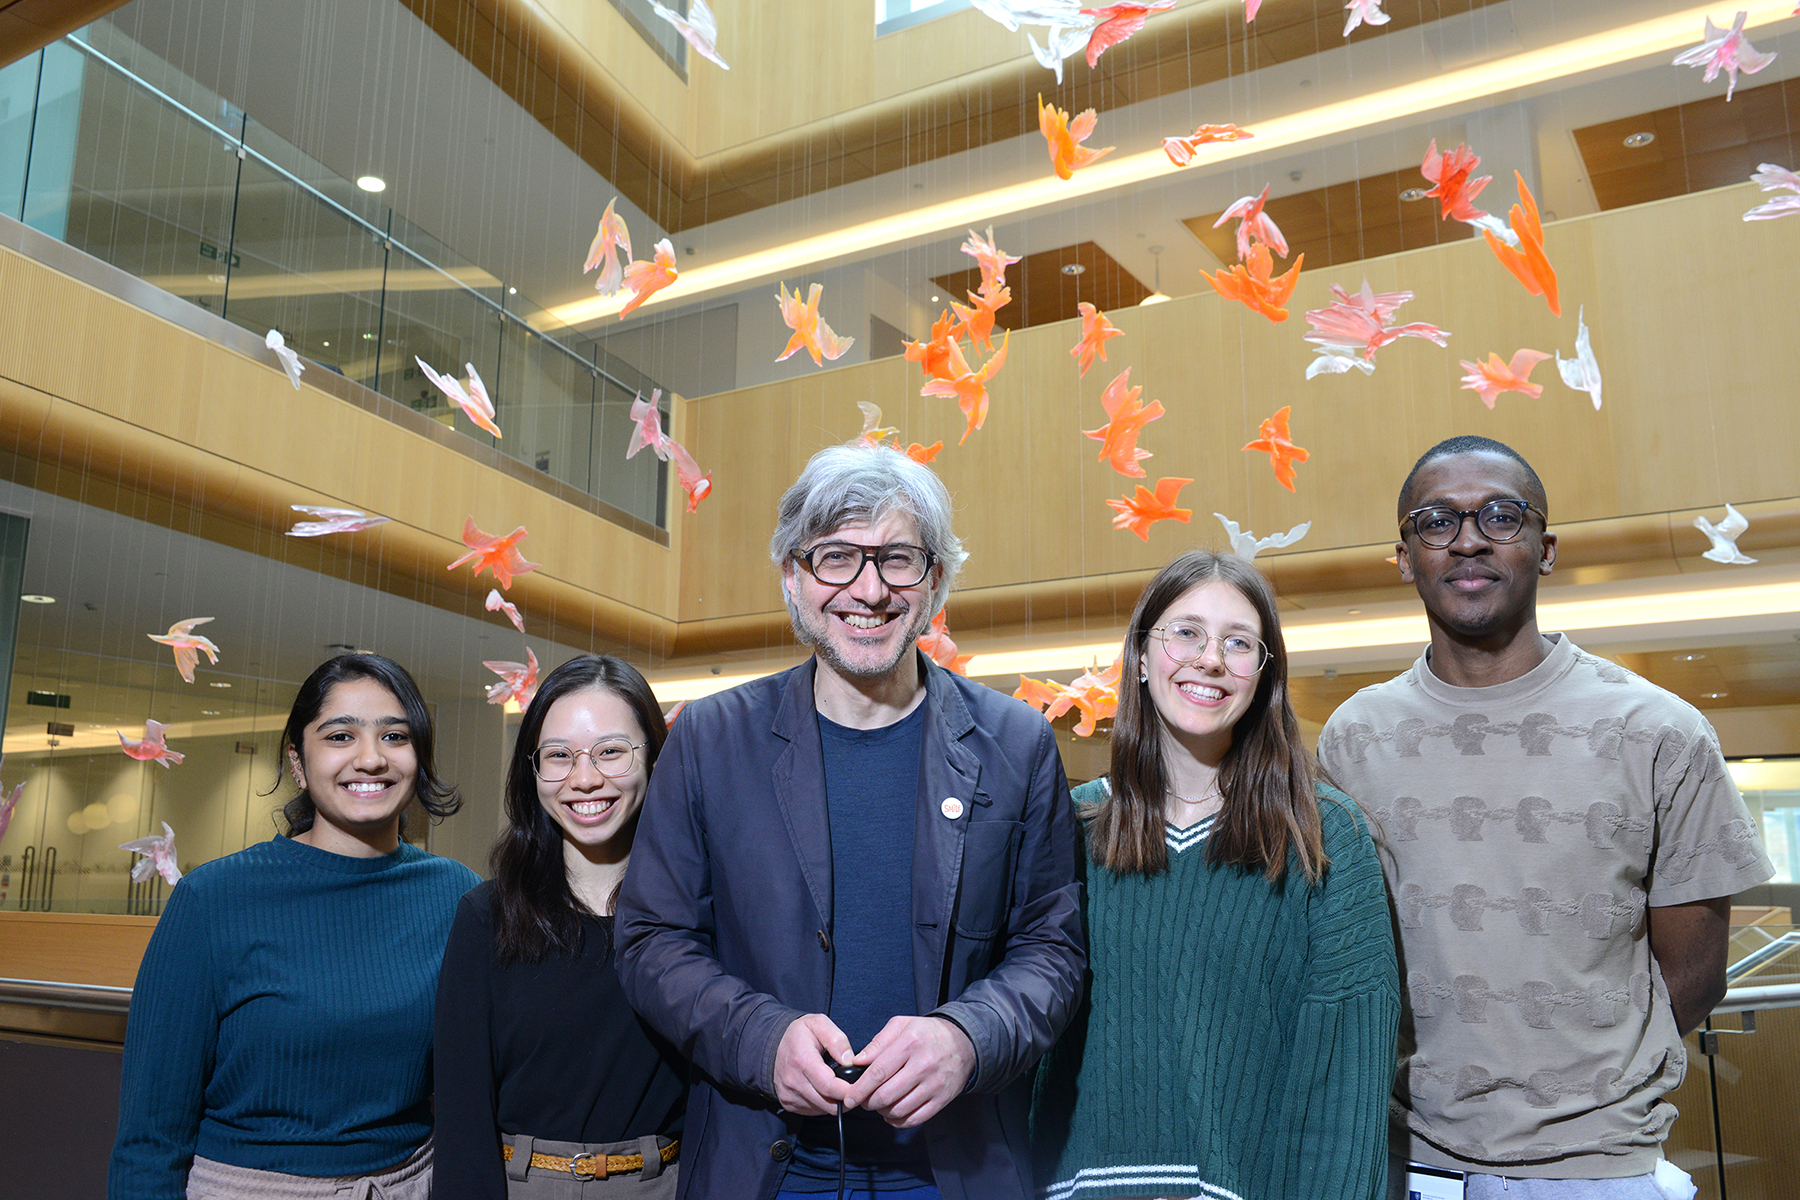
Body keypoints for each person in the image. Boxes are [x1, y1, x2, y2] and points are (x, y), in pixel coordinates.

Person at [614, 441, 1085, 1200]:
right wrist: (761, 1040)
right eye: (836, 558)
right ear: (792, 576)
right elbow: (651, 940)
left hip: (954, 1171)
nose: (869, 590)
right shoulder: (709, 738)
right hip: (764, 1167)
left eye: (898, 559)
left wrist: (969, 1036)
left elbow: (1051, 949)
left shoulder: (1017, 743)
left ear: (935, 580)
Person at [1318, 436, 1776, 1197]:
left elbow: (1695, 975)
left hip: (1599, 1167)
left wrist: (1581, 1092)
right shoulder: (1352, 738)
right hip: (1402, 1160)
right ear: (1405, 558)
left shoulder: (1659, 730)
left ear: (1546, 548)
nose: (1468, 540)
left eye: (1501, 516)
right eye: (1436, 521)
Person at [1032, 550, 1400, 1200]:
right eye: (1186, 633)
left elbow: (1346, 1076)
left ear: (1263, 674)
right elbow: (1030, 1052)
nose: (1210, 660)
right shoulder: (1071, 824)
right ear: (1140, 656)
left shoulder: (1323, 833)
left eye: (1238, 643)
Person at [108, 652, 478, 1200]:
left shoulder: (456, 894)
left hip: (413, 1184)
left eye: (395, 736)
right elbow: (149, 1138)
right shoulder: (214, 898)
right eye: (340, 736)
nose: (371, 758)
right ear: (298, 762)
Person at [434, 654, 687, 1198]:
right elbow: (462, 1111)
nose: (585, 779)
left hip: (668, 1184)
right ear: (532, 771)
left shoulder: (695, 913)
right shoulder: (487, 916)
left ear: (653, 756)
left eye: (611, 751)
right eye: (558, 756)